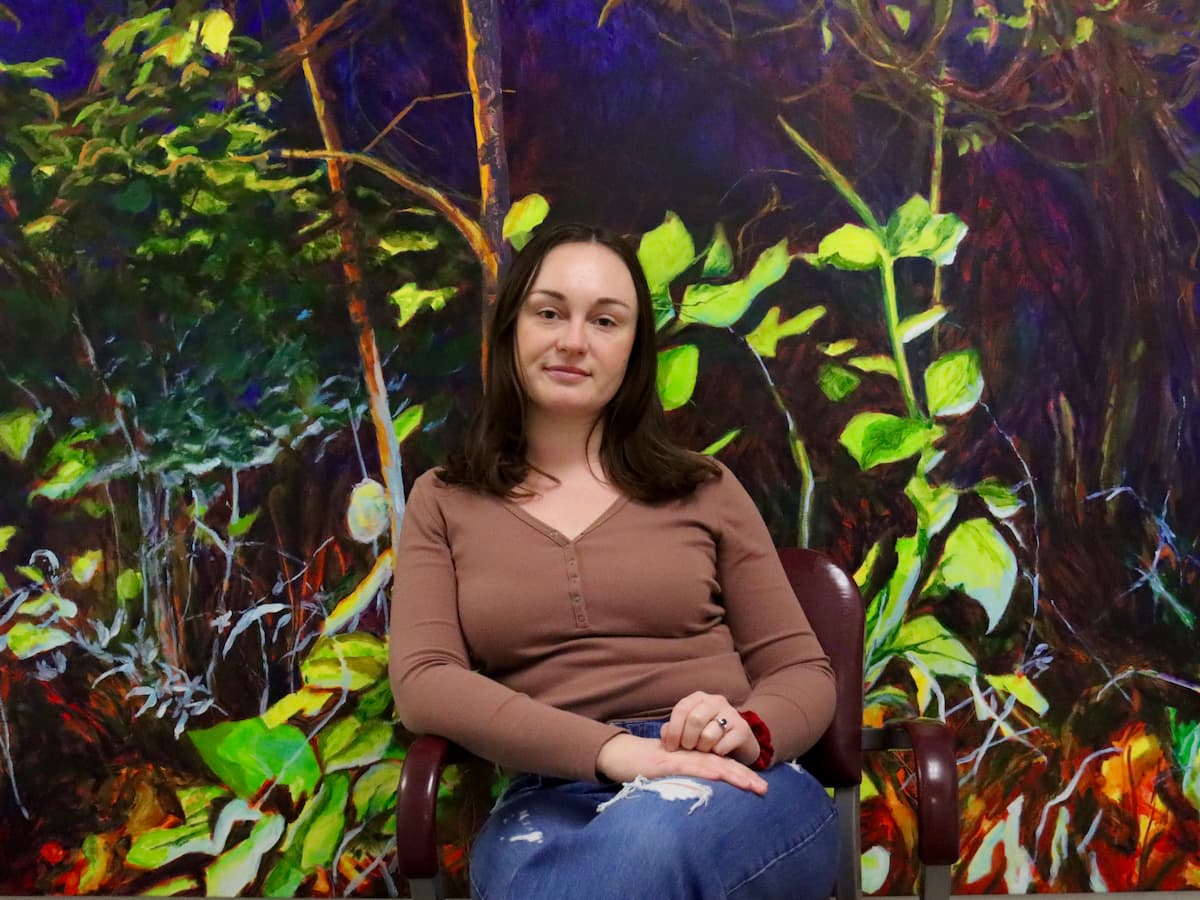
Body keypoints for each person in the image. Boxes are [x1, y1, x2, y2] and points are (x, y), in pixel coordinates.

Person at [389, 222, 838, 899]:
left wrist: (745, 729)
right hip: (547, 800)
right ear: (512, 329)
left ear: (634, 349)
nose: (574, 340)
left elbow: (802, 669)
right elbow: (424, 680)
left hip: (731, 782)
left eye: (606, 320)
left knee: (644, 849)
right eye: (550, 313)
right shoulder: (444, 500)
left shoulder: (705, 487)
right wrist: (615, 754)